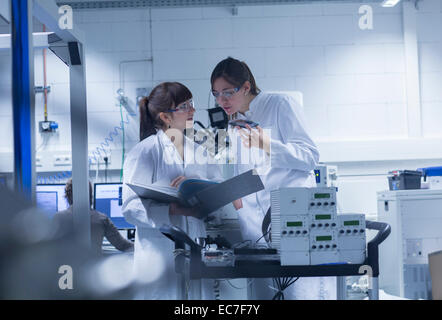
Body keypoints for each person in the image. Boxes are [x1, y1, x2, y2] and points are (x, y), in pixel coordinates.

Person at [210, 57, 335, 300]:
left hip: (291, 220)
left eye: (227, 92)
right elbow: (247, 173)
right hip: (255, 231)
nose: (221, 100)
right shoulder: (235, 120)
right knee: (262, 295)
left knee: (301, 294)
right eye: (216, 94)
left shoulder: (280, 104)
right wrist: (228, 195)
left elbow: (309, 156)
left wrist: (268, 145)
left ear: (246, 87)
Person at [121, 82, 231, 300]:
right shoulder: (145, 152)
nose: (192, 110)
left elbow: (220, 191)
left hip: (198, 250)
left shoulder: (201, 151)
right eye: (184, 106)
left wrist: (198, 185)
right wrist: (175, 209)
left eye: (191, 103)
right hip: (159, 256)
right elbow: (130, 208)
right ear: (165, 117)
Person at [52, 179, 134, 256]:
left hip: (66, 269)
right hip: (93, 269)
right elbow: (123, 245)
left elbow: (50, 249)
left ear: (67, 196)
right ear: (90, 195)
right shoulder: (102, 219)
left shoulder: (58, 218)